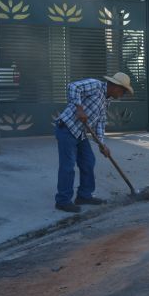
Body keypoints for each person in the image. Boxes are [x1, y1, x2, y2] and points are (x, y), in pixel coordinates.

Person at [54, 72, 134, 212]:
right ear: (115, 86)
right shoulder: (95, 85)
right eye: (123, 91)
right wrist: (79, 108)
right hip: (67, 129)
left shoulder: (106, 100)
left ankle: (84, 195)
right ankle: (62, 201)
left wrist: (102, 144)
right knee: (68, 166)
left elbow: (100, 123)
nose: (122, 95)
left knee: (88, 161)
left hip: (80, 133)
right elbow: (72, 87)